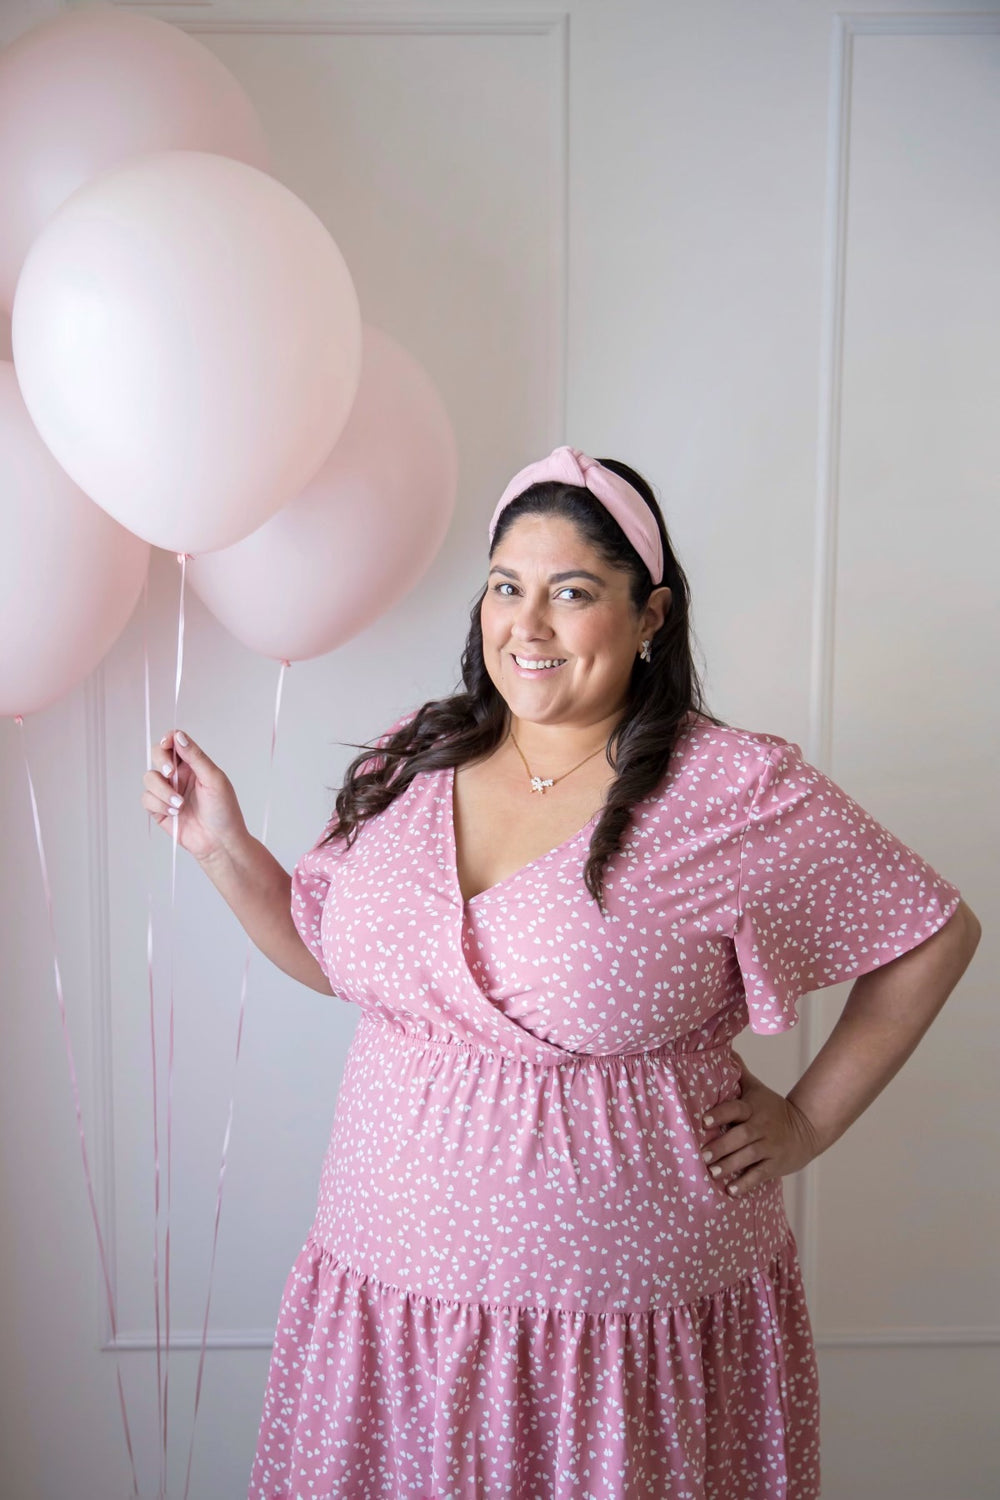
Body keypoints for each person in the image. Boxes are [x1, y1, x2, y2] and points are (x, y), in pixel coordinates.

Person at [142, 445, 980, 1500]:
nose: (526, 625)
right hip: (388, 1300)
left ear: (650, 615)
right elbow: (341, 964)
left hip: (617, 1333)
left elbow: (931, 933)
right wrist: (222, 847)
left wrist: (808, 1121)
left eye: (570, 593)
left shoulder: (732, 788)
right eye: (506, 587)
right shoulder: (414, 758)